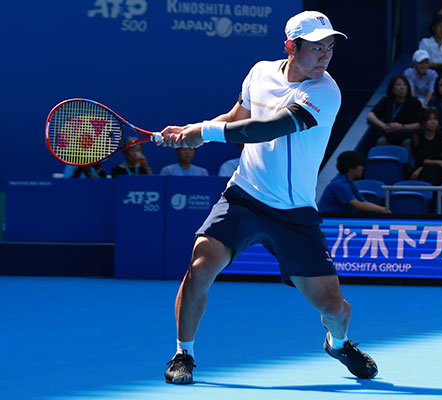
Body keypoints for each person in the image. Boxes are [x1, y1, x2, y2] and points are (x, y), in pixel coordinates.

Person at [159, 11, 378, 385]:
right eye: (316, 47)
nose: (325, 55)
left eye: (329, 47)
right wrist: (192, 131)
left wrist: (204, 132)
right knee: (199, 268)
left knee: (334, 309)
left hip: (294, 212)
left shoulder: (325, 92)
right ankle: (184, 354)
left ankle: (338, 344)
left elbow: (267, 128)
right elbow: (237, 116)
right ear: (291, 47)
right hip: (244, 195)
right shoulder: (260, 72)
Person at [363, 74, 422, 157]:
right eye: (398, 85)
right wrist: (384, 126)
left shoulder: (415, 103)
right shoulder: (386, 101)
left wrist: (401, 127)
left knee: (407, 143)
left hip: (405, 135)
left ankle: (407, 165)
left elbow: (419, 124)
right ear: (392, 88)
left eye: (404, 85)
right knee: (381, 141)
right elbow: (370, 115)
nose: (402, 87)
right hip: (388, 134)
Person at [318, 151, 387, 215]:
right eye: (360, 165)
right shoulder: (339, 184)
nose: (362, 168)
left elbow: (363, 202)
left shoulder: (348, 182)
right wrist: (384, 210)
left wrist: (384, 209)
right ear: (350, 168)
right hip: (327, 219)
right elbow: (358, 205)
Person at [411, 108, 442, 185]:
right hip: (422, 167)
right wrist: (422, 167)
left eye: (435, 119)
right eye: (429, 119)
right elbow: (419, 159)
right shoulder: (417, 137)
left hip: (438, 168)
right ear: (424, 122)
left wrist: (433, 163)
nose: (433, 122)